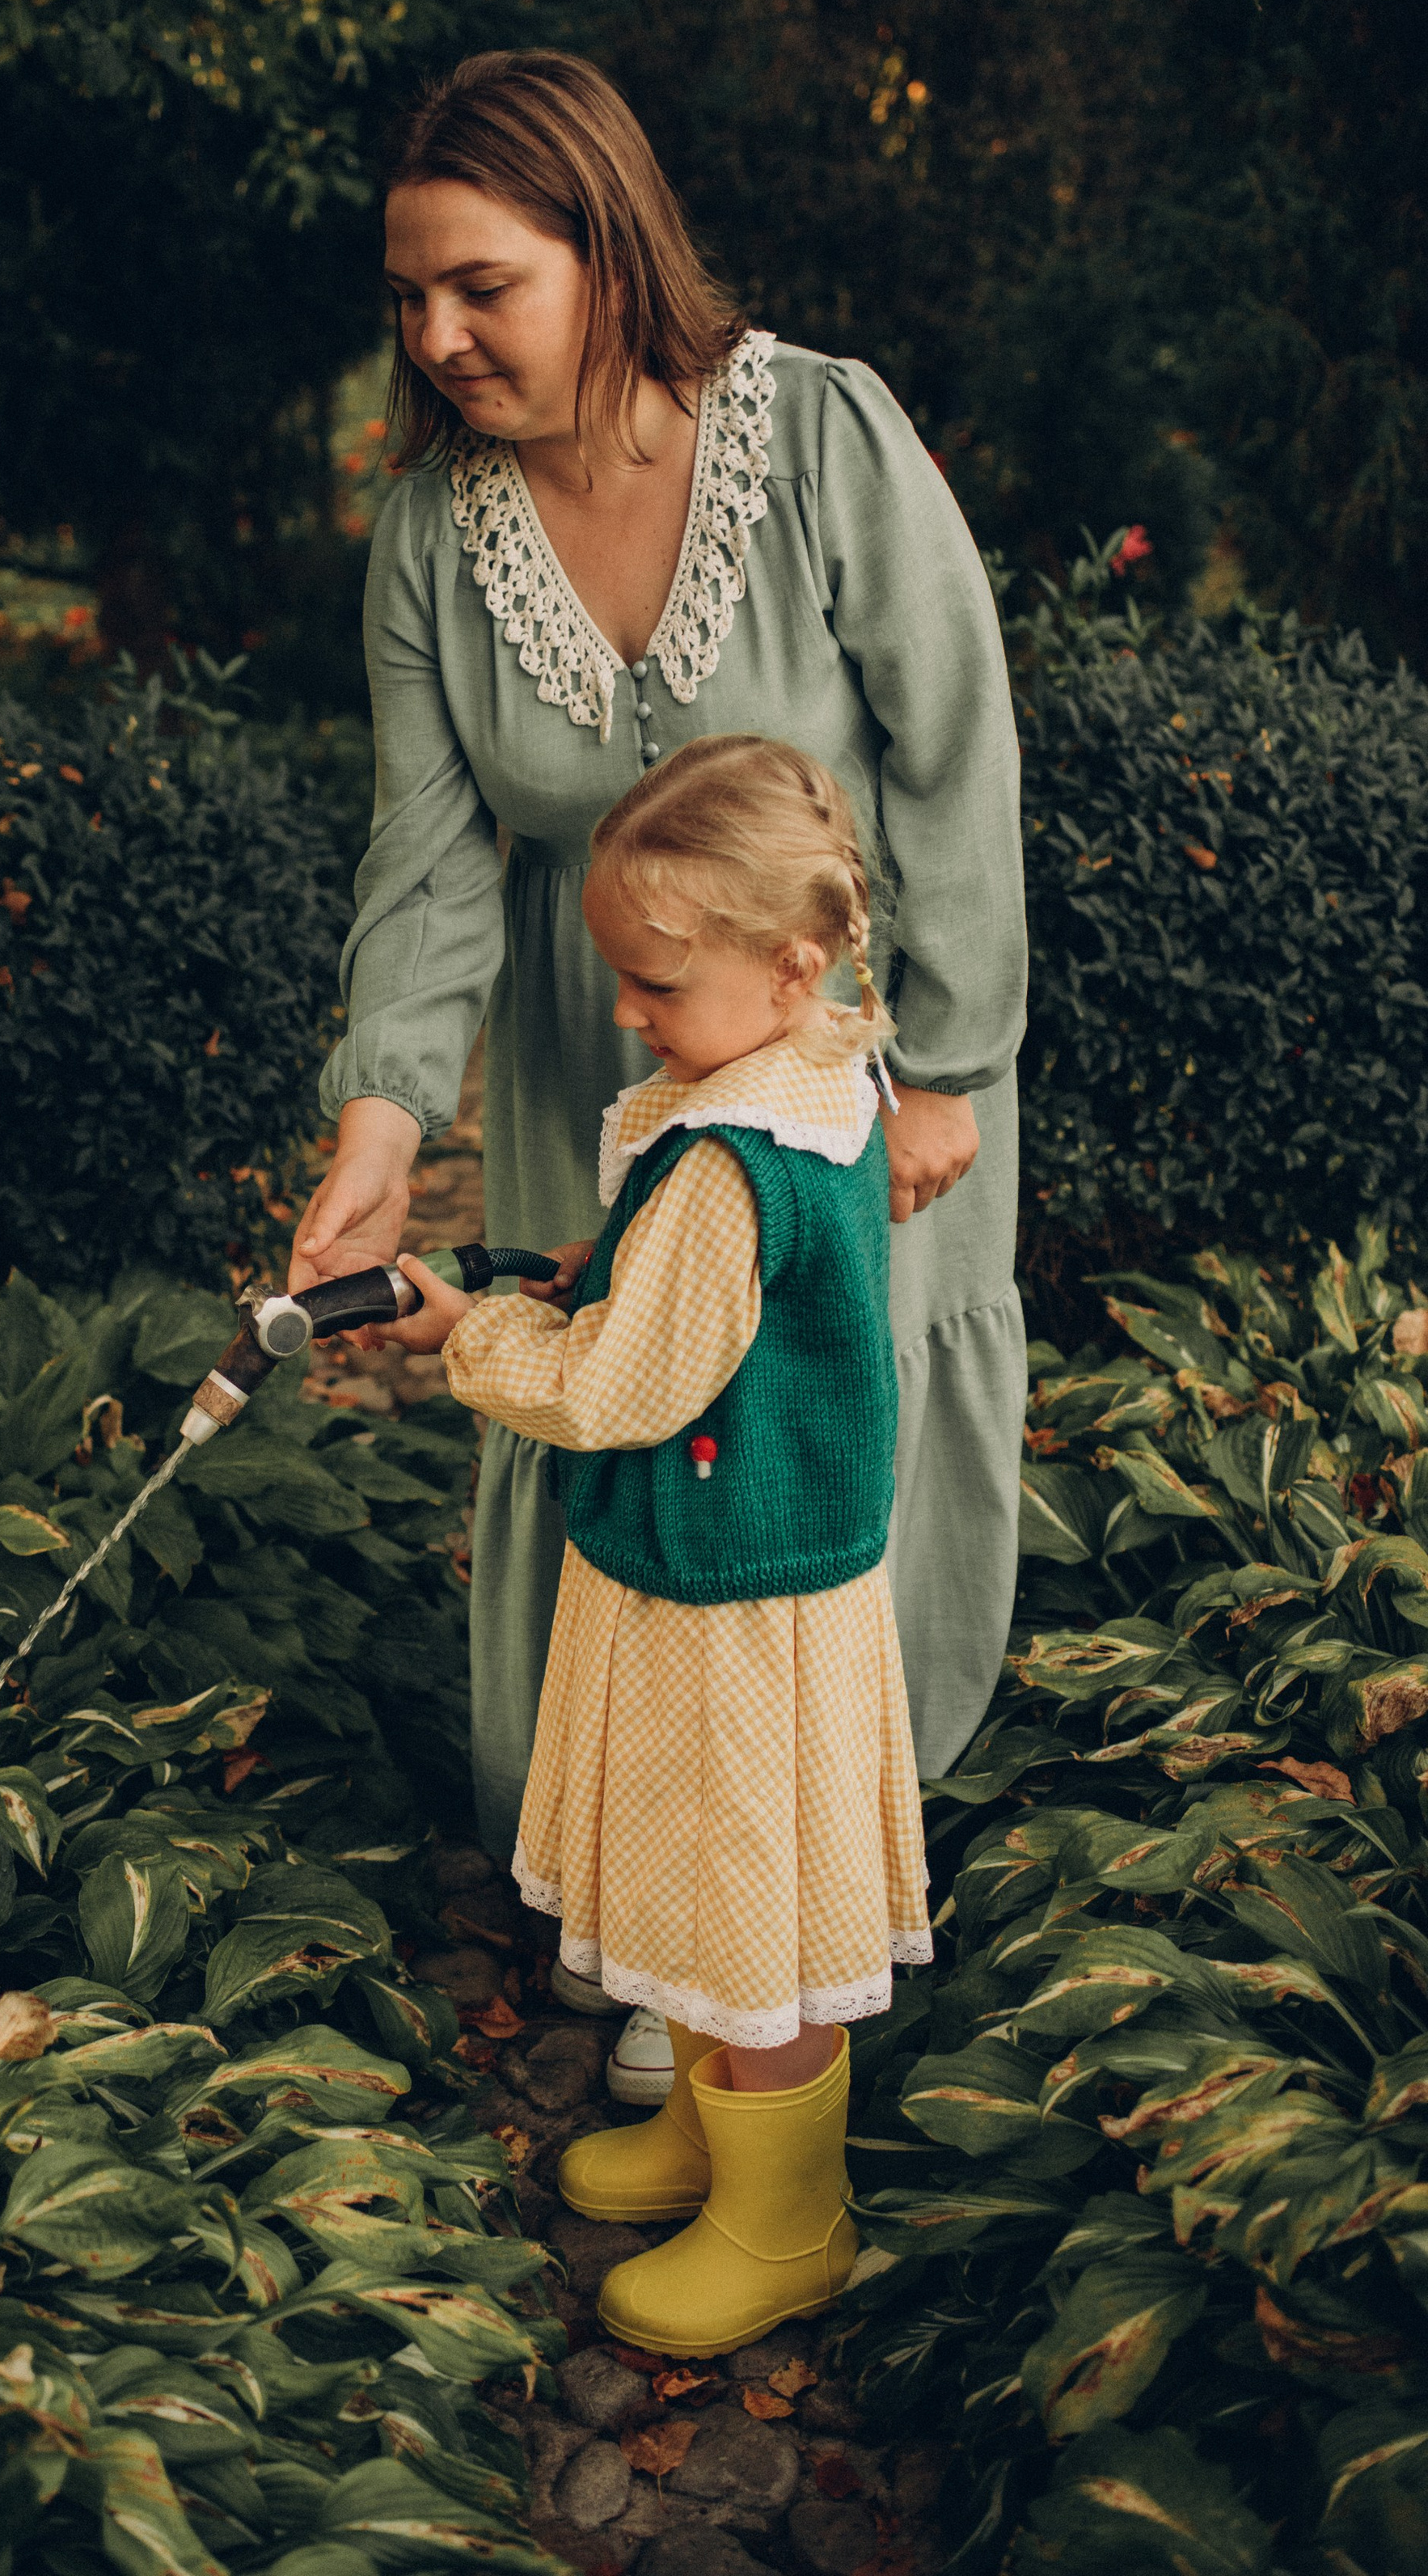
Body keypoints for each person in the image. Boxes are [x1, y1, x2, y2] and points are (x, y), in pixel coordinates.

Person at [290, 55, 1025, 2071]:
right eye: (409, 299)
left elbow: (953, 756)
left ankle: (799, 1933)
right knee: (626, 1428)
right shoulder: (432, 538)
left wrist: (945, 1064)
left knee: (799, 1450)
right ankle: (645, 1895)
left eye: (480, 288)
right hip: (586, 1055)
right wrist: (379, 1125)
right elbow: (428, 864)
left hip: (840, 1063)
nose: (435, 339)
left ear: (603, 251)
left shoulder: (821, 440)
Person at [376, 735, 930, 2358]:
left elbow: (625, 1387)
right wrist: (575, 1260)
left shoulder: (721, 1166)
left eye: (655, 985)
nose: (628, 1011)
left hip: (723, 1603)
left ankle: (786, 2222)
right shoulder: (805, 1083)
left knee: (744, 1887)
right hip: (751, 1579)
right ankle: (707, 2137)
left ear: (790, 962)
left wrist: (471, 1333)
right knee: (714, 1869)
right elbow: (682, 1288)